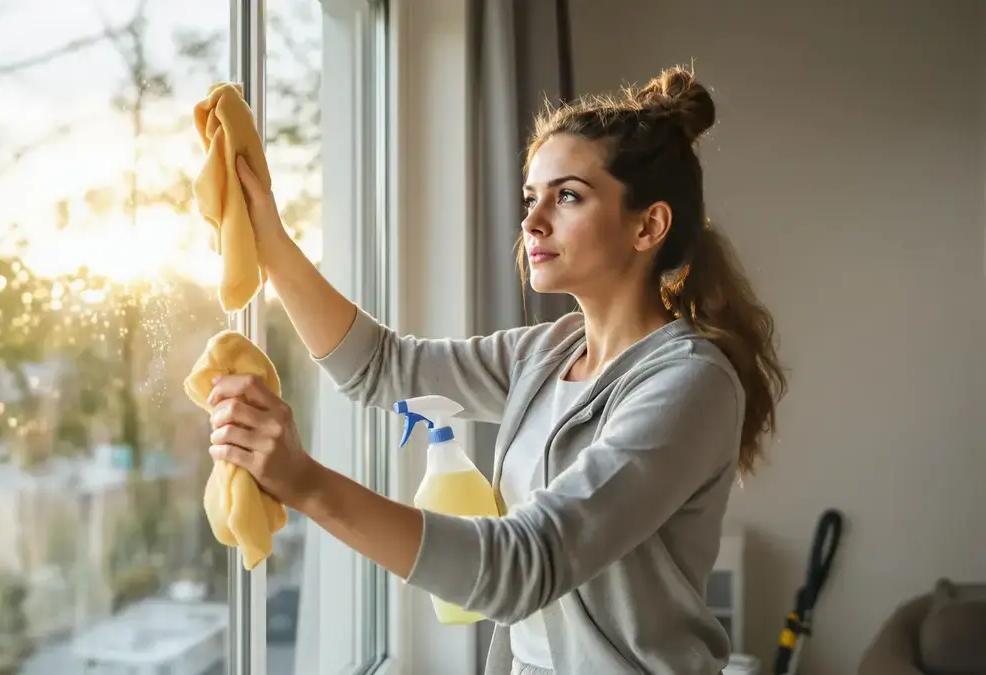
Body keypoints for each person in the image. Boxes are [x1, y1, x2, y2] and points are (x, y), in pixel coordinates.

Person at [205, 65, 787, 675]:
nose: (533, 223)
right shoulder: (545, 354)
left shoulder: (690, 384)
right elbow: (381, 367)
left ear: (649, 225)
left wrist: (306, 485)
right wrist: (268, 239)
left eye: (568, 196)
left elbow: (522, 565)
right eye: (531, 199)